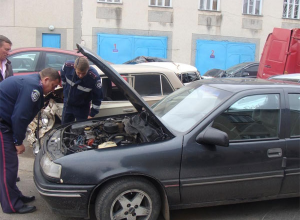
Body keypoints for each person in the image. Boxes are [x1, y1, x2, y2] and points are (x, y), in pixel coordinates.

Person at [0, 68, 61, 214]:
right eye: (53, 86)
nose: (52, 90)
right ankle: (12, 204)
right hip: (2, 125)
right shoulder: (34, 88)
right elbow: (20, 117)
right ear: (46, 79)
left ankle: (14, 196)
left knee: (8, 165)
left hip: (5, 122)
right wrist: (18, 141)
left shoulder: (33, 81)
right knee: (8, 166)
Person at [61, 57, 103, 124]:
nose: (80, 75)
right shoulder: (67, 67)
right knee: (64, 127)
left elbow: (97, 97)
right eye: (78, 73)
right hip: (68, 104)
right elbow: (63, 81)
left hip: (82, 107)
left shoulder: (94, 77)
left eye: (83, 73)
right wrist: (65, 94)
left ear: (88, 68)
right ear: (74, 67)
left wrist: (92, 114)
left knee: (82, 130)